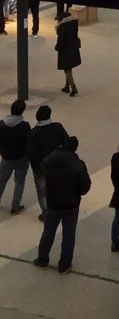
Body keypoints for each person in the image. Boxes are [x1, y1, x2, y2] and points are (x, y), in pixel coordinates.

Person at [34, 135, 91, 274]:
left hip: (53, 203)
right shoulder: (78, 164)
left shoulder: (48, 161)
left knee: (48, 232)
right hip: (71, 205)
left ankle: (42, 259)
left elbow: (42, 170)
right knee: (68, 235)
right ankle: (64, 264)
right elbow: (85, 187)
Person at [26, 106, 67, 222]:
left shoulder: (33, 133)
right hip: (56, 166)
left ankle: (46, 213)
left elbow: (29, 153)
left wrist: (34, 163)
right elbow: (66, 143)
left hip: (40, 168)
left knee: (42, 192)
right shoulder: (58, 127)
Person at [0, 99, 30, 214]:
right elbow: (28, 142)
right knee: (19, 181)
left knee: (1, 181)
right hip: (21, 158)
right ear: (22, 111)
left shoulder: (1, 125)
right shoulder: (25, 126)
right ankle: (15, 205)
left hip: (7, 158)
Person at [55, 5, 81, 97]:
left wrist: (57, 47)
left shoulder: (62, 28)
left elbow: (60, 42)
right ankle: (67, 86)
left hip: (65, 52)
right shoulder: (73, 24)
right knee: (68, 68)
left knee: (67, 70)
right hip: (73, 50)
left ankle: (73, 88)